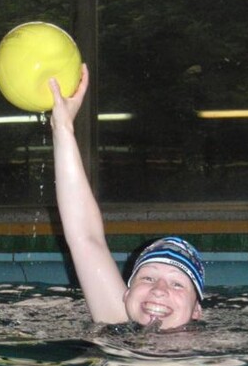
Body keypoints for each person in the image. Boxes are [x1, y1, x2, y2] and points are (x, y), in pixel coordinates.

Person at [48, 64, 204, 331]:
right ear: (126, 294)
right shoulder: (118, 321)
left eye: (178, 284)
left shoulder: (217, 350)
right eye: (147, 279)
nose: (159, 290)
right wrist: (62, 127)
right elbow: (86, 238)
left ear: (197, 310)